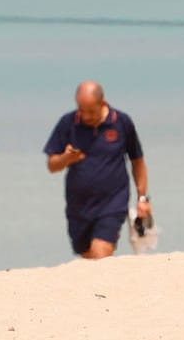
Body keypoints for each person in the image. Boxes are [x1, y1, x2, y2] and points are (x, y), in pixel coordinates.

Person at [42, 81, 149, 259]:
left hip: (113, 203)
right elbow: (52, 165)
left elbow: (137, 161)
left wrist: (142, 198)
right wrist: (66, 158)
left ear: (103, 103)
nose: (86, 116)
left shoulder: (121, 123)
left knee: (101, 253)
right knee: (88, 257)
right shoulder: (68, 123)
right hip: (79, 207)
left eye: (91, 111)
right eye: (81, 110)